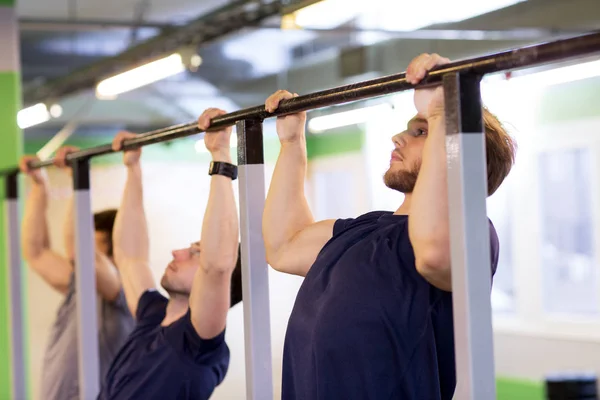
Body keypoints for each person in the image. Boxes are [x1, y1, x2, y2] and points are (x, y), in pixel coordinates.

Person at [262, 53, 517, 399]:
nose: (398, 137)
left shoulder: (470, 231)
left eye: (420, 131)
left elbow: (432, 255)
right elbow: (283, 245)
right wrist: (292, 143)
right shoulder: (367, 229)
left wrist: (446, 111)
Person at [98, 107, 242, 400]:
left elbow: (217, 266)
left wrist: (221, 157)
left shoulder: (198, 341)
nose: (178, 253)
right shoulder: (154, 315)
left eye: (195, 252)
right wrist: (133, 168)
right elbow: (129, 255)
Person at [19, 147, 134, 400]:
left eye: (96, 247)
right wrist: (40, 188)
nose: (84, 253)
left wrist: (79, 176)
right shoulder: (81, 289)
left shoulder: (124, 297)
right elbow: (36, 251)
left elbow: (80, 255)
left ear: (116, 255)